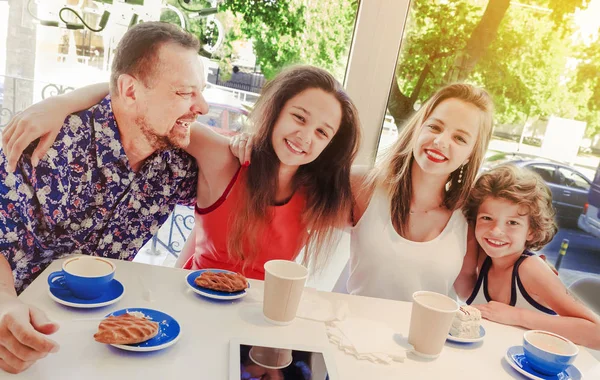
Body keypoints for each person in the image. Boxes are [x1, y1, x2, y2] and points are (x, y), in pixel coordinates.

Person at [4, 65, 361, 281]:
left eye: (322, 132)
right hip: (194, 300)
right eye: (299, 117)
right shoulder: (223, 156)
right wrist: (60, 103)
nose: (305, 137)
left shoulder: (321, 193)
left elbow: (398, 184)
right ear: (277, 112)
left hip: (259, 318)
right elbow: (140, 100)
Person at [0, 22, 208, 374]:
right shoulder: (47, 144)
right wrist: (4, 303)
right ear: (129, 91)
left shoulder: (177, 166)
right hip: (17, 335)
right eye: (185, 92)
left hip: (101, 345)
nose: (201, 107)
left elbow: (244, 174)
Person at [230, 83, 493, 301]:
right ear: (418, 128)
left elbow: (471, 290)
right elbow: (285, 186)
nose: (441, 141)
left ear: (472, 153)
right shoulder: (363, 186)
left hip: (424, 352)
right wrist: (257, 143)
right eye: (435, 126)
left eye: (460, 138)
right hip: (352, 341)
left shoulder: (471, 215)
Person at [464, 165, 600, 349]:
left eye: (512, 222)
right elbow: (464, 291)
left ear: (531, 231)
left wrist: (516, 315)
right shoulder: (484, 256)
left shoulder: (530, 269)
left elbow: (596, 333)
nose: (496, 231)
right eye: (487, 218)